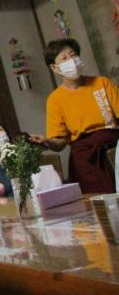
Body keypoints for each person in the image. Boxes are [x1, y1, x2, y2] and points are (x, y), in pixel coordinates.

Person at [40, 38, 119, 193]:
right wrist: (46, 142)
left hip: (115, 150)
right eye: (64, 58)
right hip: (85, 160)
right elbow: (60, 141)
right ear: (55, 67)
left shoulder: (102, 83)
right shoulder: (55, 100)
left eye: (73, 55)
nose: (71, 61)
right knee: (97, 202)